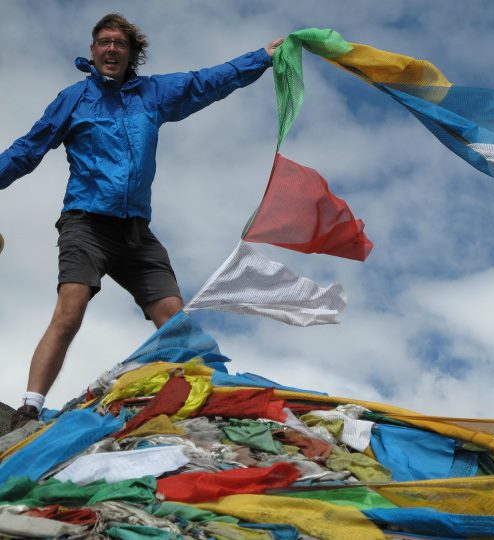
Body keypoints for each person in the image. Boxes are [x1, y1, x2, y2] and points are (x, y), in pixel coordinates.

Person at [0, 13, 283, 430]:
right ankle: (29, 406)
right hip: (86, 224)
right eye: (103, 42)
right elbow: (28, 149)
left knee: (174, 316)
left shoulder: (152, 94)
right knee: (70, 309)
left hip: (135, 232)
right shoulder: (73, 99)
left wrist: (262, 57)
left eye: (119, 43)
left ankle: (219, 391)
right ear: (93, 51)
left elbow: (206, 81)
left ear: (132, 53)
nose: (111, 48)